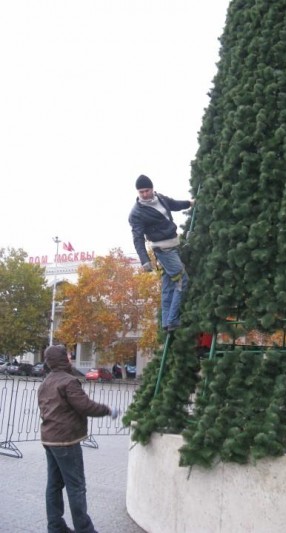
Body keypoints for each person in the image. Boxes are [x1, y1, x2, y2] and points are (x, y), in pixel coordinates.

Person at [37, 344, 118, 533]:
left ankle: (55, 527)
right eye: (68, 355)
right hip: (66, 442)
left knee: (54, 485)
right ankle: (85, 529)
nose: (70, 357)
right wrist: (108, 410)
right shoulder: (69, 381)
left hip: (50, 440)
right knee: (76, 487)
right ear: (63, 360)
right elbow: (85, 406)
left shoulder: (46, 382)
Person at [128, 174, 194, 332]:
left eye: (146, 190)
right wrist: (144, 260)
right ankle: (172, 321)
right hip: (163, 250)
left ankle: (166, 322)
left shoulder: (160, 198)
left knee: (168, 284)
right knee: (182, 280)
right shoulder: (136, 213)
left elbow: (174, 204)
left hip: (174, 245)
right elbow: (138, 238)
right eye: (141, 192)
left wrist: (189, 203)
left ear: (152, 189)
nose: (144, 194)